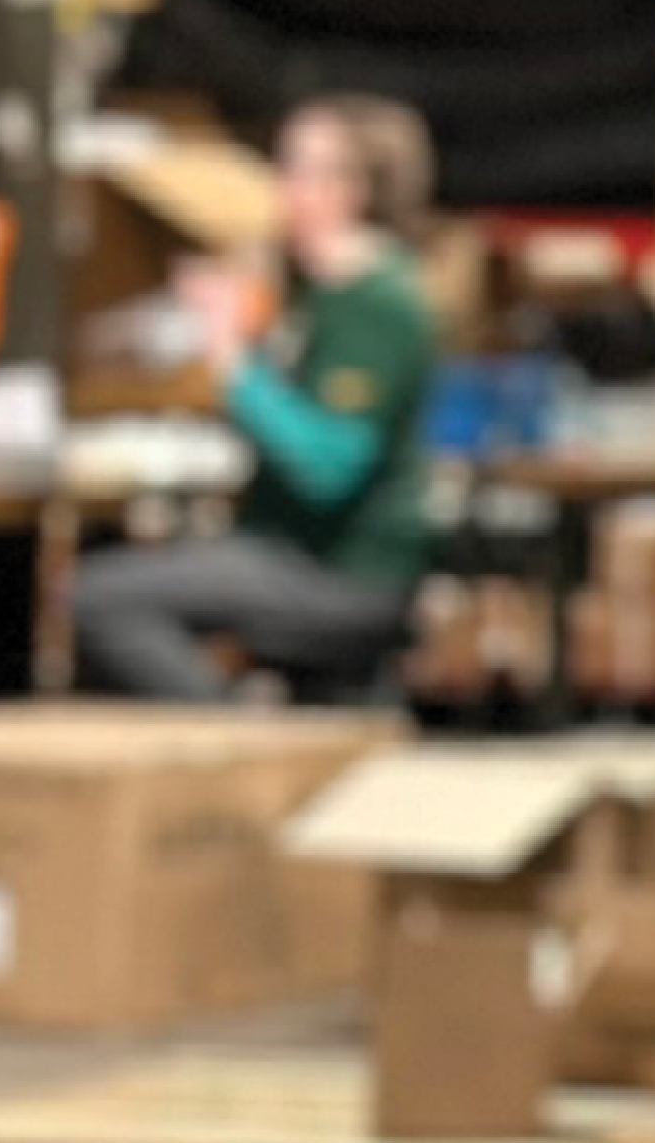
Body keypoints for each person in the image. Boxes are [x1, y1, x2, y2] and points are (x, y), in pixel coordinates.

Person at [73, 94, 447, 703]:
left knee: (97, 598)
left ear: (347, 189)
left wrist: (233, 364)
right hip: (289, 548)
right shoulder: (316, 294)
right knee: (141, 564)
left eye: (296, 168)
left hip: (341, 572)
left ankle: (234, 734)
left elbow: (329, 467)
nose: (280, 187)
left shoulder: (378, 305)